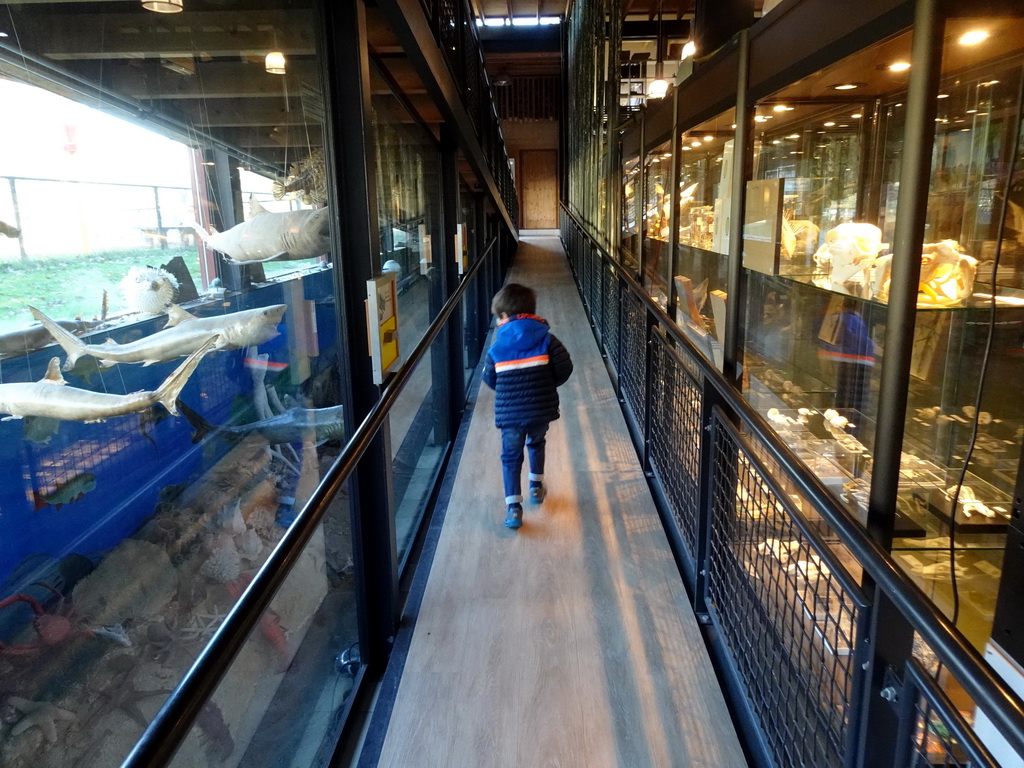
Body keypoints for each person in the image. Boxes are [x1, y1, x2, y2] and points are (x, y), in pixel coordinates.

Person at [482, 283, 573, 530]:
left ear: (503, 317)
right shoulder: (547, 339)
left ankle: (513, 508)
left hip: (510, 415)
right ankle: (536, 487)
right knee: (536, 442)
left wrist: (508, 392)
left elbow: (489, 378)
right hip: (540, 409)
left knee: (510, 456)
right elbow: (565, 367)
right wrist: (546, 384)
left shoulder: (497, 348)